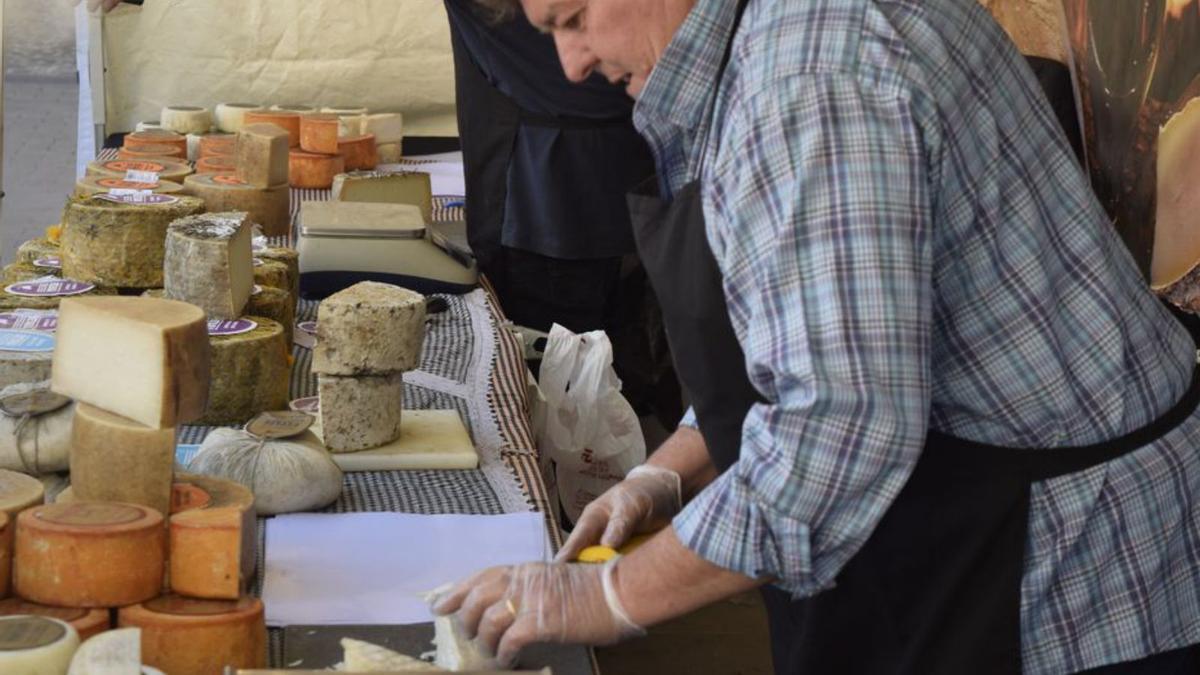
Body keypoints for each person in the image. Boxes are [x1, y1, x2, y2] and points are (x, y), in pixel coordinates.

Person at [432, 0, 1200, 673]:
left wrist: (604, 595)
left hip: (1066, 580)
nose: (569, 64)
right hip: (978, 528)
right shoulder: (765, 46)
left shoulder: (810, 80)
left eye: (572, 19)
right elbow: (805, 330)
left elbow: (838, 429)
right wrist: (665, 472)